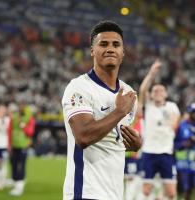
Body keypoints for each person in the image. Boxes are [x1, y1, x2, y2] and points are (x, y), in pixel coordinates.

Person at [61, 20, 142, 200]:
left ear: (122, 53)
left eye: (116, 44)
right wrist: (119, 112)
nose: (110, 48)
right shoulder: (79, 88)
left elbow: (113, 139)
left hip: (114, 193)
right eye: (103, 44)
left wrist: (135, 145)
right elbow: (83, 137)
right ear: (92, 51)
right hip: (85, 192)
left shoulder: (128, 93)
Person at [138, 59, 181, 200]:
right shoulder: (148, 107)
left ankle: (161, 196)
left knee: (171, 193)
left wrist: (166, 122)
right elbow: (143, 90)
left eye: (161, 90)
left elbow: (174, 124)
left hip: (166, 153)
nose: (157, 92)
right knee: (146, 190)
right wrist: (151, 74)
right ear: (151, 95)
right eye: (155, 90)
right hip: (149, 152)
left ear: (166, 94)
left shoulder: (172, 107)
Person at [174, 103, 195, 200]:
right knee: (187, 190)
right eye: (193, 112)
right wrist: (183, 144)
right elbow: (174, 143)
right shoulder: (182, 126)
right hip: (185, 164)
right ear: (189, 113)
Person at [8, 103, 35, 196]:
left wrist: (23, 127)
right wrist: (9, 144)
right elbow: (10, 130)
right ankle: (16, 183)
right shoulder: (14, 118)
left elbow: (30, 132)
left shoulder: (29, 118)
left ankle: (19, 186)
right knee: (14, 164)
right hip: (15, 145)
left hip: (23, 145)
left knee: (21, 165)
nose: (21, 108)